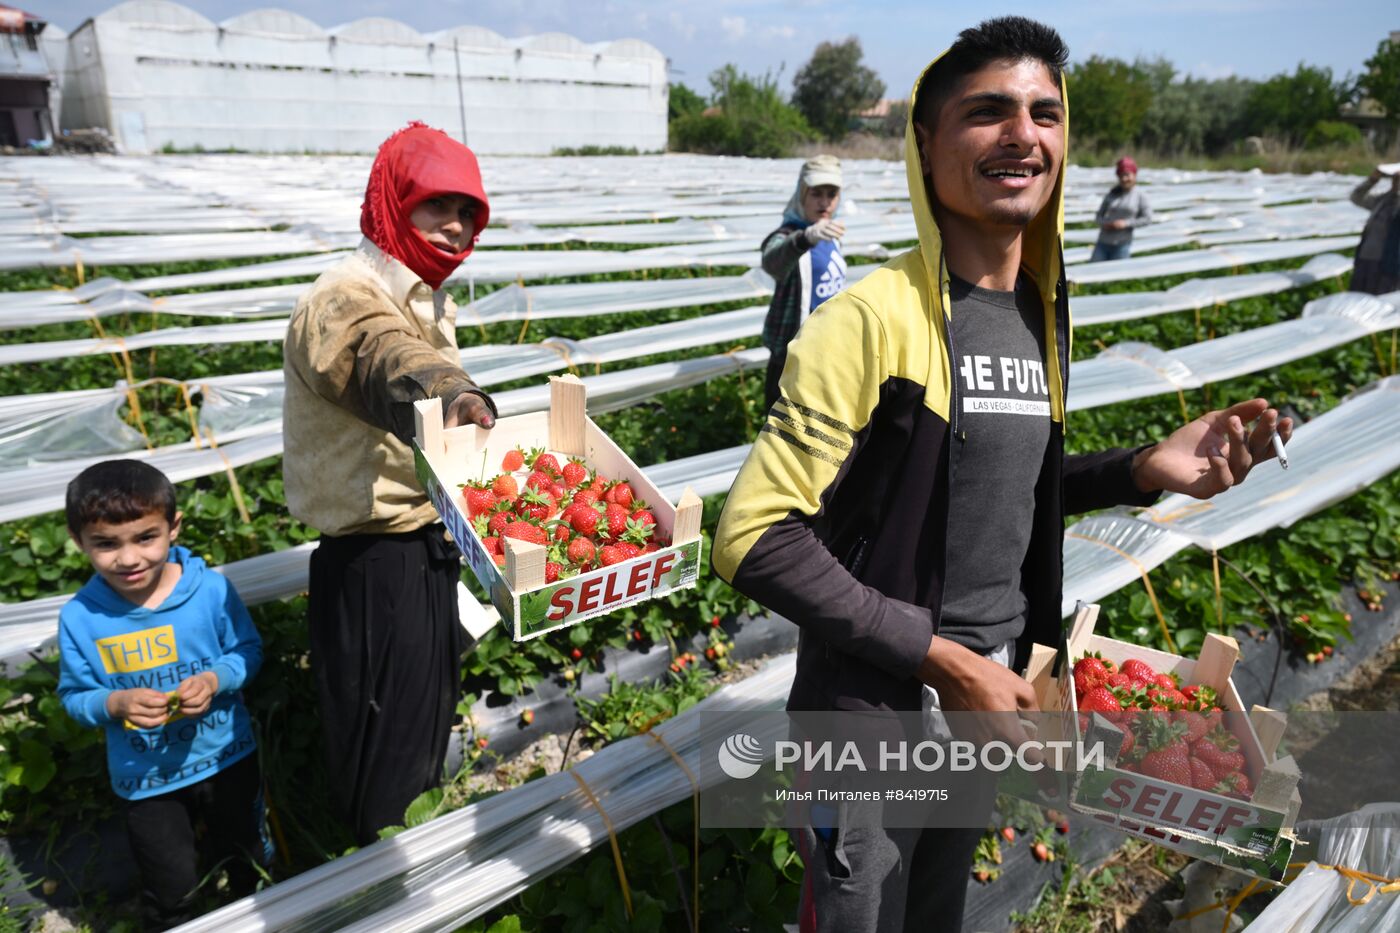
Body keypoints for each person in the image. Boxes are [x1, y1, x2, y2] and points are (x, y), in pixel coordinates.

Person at [712, 16, 1291, 933]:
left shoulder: (1038, 312)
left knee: (935, 913)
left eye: (1045, 113)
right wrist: (946, 664)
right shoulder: (869, 323)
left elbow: (991, 489)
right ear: (928, 147)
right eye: (988, 112)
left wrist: (1144, 469)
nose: (1024, 133)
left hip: (993, 698)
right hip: (874, 712)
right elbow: (752, 536)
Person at [282, 121, 497, 844]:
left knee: (421, 726)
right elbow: (382, 360)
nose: (457, 225)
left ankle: (405, 874)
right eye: (437, 204)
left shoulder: (425, 295)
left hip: (422, 544)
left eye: (470, 210)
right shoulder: (343, 299)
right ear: (392, 200)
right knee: (388, 768)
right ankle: (378, 891)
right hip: (373, 562)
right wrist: (450, 396)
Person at [57, 460, 268, 930]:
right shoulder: (80, 617)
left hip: (226, 758)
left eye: (144, 537)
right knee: (170, 884)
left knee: (248, 860)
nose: (128, 558)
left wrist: (216, 680)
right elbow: (74, 695)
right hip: (147, 780)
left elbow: (247, 652)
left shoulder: (209, 590)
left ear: (173, 527)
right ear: (79, 542)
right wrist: (113, 704)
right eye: (106, 544)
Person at [760, 154, 848, 409]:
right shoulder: (789, 234)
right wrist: (804, 238)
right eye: (816, 194)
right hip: (791, 358)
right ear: (802, 195)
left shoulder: (832, 235)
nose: (824, 202)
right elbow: (771, 261)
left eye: (831, 194)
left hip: (824, 353)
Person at [1349, 165, 1400, 295]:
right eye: (1395, 179)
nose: (1396, 183)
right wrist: (1372, 180)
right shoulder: (1382, 201)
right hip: (1366, 258)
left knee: (1381, 300)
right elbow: (1357, 197)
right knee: (1359, 295)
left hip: (1389, 264)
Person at [1090, 156, 1152, 261]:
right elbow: (1098, 216)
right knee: (1095, 272)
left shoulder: (1140, 196)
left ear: (1134, 175)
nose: (1124, 179)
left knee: (1117, 274)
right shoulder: (1112, 194)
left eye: (1127, 175)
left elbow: (1147, 218)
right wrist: (1105, 224)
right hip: (1103, 242)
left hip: (1122, 244)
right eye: (1121, 176)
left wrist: (1126, 223)